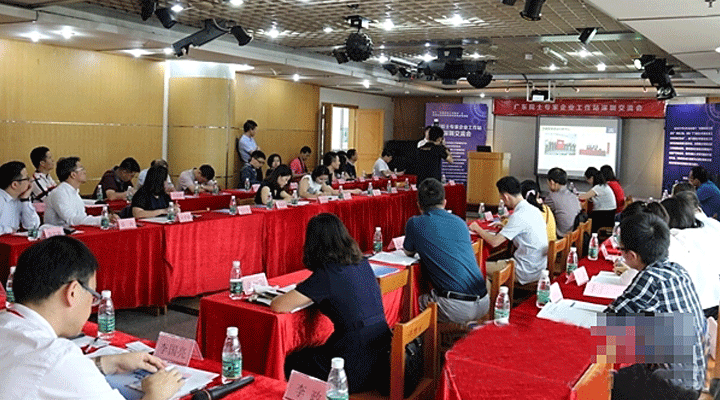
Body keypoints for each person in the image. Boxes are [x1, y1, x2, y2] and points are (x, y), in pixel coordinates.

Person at [0, 236, 184, 400]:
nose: (92, 305)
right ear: (72, 293)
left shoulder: (6, 324)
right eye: (93, 296)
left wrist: (108, 362)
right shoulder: (57, 356)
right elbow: (54, 368)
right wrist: (156, 395)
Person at [271, 213, 392, 393]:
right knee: (313, 354)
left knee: (291, 362)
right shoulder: (362, 262)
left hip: (353, 368)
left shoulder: (327, 275)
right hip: (381, 356)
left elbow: (278, 305)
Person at [605, 212, 706, 396]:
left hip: (672, 388)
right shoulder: (677, 270)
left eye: (621, 249)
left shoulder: (650, 278)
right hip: (692, 379)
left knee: (602, 382)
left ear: (632, 255)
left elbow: (609, 320)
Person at [403, 178, 489, 323]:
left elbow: (408, 252)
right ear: (444, 202)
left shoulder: (415, 223)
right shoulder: (460, 222)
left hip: (456, 307)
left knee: (410, 302)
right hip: (484, 302)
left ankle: (412, 338)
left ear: (418, 205)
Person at [470, 176, 548, 285]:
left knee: (476, 268)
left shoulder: (519, 215)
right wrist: (505, 227)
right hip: (539, 267)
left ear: (506, 197)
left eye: (502, 199)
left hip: (524, 271)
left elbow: (494, 242)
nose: (503, 202)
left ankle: (490, 296)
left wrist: (477, 229)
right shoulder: (533, 209)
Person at [660, 197, 720, 318]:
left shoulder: (673, 238)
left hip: (689, 313)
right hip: (715, 302)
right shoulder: (711, 228)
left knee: (624, 325)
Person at [46, 157, 117, 227]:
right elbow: (71, 219)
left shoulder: (74, 192)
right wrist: (101, 219)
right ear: (73, 175)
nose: (85, 172)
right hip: (60, 232)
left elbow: (81, 216)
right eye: (82, 169)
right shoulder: (59, 193)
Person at [0, 161, 41, 234]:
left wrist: (25, 200)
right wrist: (9, 230)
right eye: (27, 178)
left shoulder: (19, 198)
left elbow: (33, 226)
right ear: (15, 185)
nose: (31, 180)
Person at [544, 167, 581, 238]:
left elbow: (542, 212)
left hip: (561, 236)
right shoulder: (573, 195)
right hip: (574, 233)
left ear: (552, 182)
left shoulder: (552, 197)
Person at [578, 167, 617, 232]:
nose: (587, 181)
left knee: (583, 218)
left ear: (591, 178)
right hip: (609, 214)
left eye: (587, 179)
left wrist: (574, 195)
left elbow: (583, 197)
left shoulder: (598, 188)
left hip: (603, 216)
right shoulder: (603, 185)